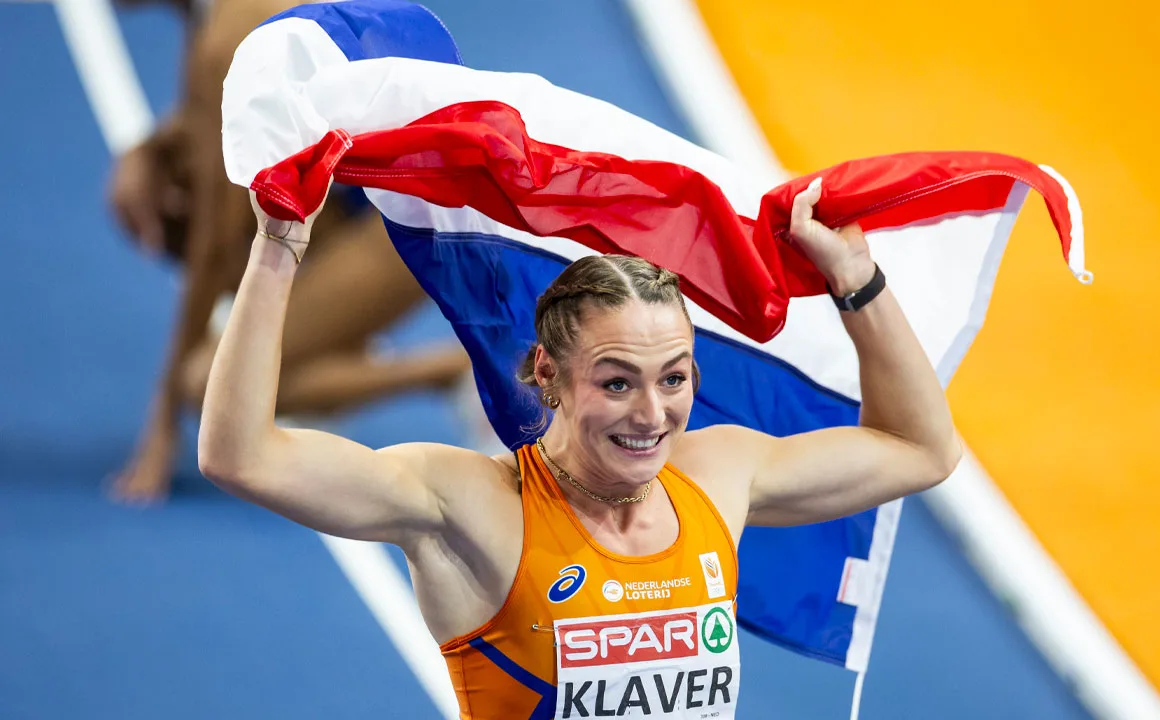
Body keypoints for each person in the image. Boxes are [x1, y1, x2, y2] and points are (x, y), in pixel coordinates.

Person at [197, 177, 963, 717]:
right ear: (548, 376)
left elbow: (923, 447)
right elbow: (241, 456)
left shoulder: (719, 475)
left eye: (673, 379)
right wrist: (277, 250)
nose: (653, 414)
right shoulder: (471, 504)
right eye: (617, 382)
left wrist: (857, 281)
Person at [107, 0, 474, 503]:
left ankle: (452, 371)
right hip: (398, 195)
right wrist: (147, 150)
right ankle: (328, 338)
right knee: (170, 193)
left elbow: (214, 246)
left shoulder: (222, 43)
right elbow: (214, 125)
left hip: (426, 218)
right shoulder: (215, 22)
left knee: (212, 384)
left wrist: (163, 421)